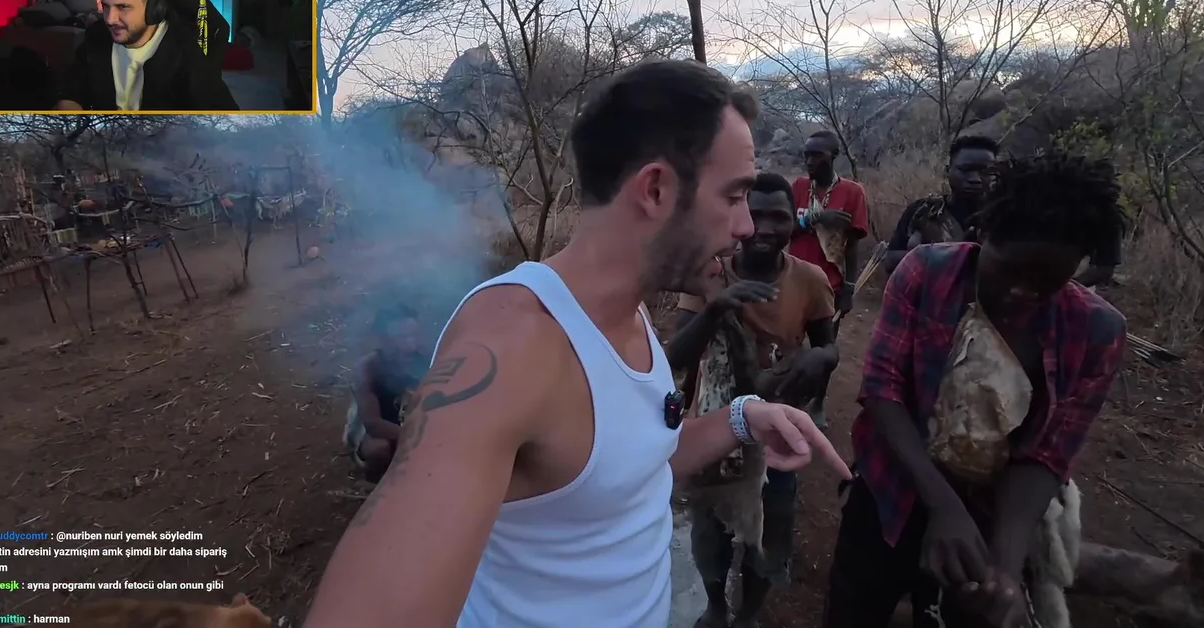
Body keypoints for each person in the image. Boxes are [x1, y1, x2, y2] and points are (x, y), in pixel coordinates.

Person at [303, 59, 850, 628]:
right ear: (656, 190)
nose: (747, 227)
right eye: (734, 197)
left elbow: (632, 462)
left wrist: (743, 418)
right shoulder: (510, 345)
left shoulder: (628, 312)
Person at [822, 152, 1129, 628]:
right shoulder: (926, 273)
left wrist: (1003, 565)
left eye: (1048, 281)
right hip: (891, 487)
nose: (1022, 292)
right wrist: (943, 505)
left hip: (992, 514)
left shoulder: (1096, 331)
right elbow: (883, 388)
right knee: (854, 608)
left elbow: (1047, 454)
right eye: (1008, 270)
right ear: (983, 234)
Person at [667, 171, 839, 628]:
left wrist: (820, 357)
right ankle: (716, 606)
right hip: (712, 426)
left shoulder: (810, 280)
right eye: (754, 214)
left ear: (793, 222)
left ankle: (747, 615)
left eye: (778, 217)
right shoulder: (712, 272)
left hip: (775, 431)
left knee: (770, 529)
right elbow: (675, 357)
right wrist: (717, 307)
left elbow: (829, 346)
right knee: (710, 527)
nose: (764, 227)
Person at [55, 0, 238, 111]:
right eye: (106, 6)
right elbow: (72, 92)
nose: (110, 19)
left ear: (154, 9)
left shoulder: (185, 51)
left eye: (123, 7)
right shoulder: (97, 36)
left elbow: (219, 117)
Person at [787, 129, 869, 426]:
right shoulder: (798, 187)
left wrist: (849, 288)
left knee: (824, 350)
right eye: (806, 154)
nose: (809, 160)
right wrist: (817, 218)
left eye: (817, 155)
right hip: (793, 281)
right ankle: (791, 401)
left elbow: (852, 245)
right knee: (789, 347)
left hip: (829, 286)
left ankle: (818, 401)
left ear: (834, 156)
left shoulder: (852, 193)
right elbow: (785, 230)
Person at [883, 135, 999, 274]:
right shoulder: (922, 211)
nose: (975, 179)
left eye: (985, 172)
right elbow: (890, 260)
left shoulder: (1005, 215)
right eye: (965, 170)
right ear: (947, 170)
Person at [342, 305, 429, 483]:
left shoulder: (425, 359)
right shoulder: (368, 369)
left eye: (413, 335)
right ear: (383, 340)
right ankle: (376, 481)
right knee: (378, 449)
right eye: (400, 338)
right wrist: (421, 437)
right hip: (378, 430)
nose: (410, 345)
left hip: (411, 425)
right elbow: (373, 424)